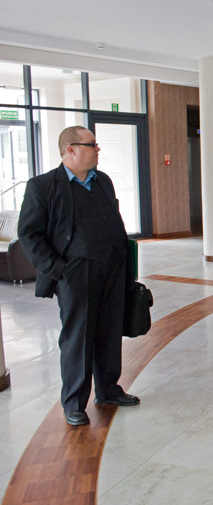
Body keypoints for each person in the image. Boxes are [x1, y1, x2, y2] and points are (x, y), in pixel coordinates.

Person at [18, 126, 139, 426]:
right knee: (78, 338)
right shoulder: (43, 186)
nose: (98, 149)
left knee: (110, 332)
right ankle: (74, 402)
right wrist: (58, 270)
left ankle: (108, 390)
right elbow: (29, 235)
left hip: (112, 270)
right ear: (70, 149)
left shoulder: (102, 181)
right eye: (91, 144)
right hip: (75, 275)